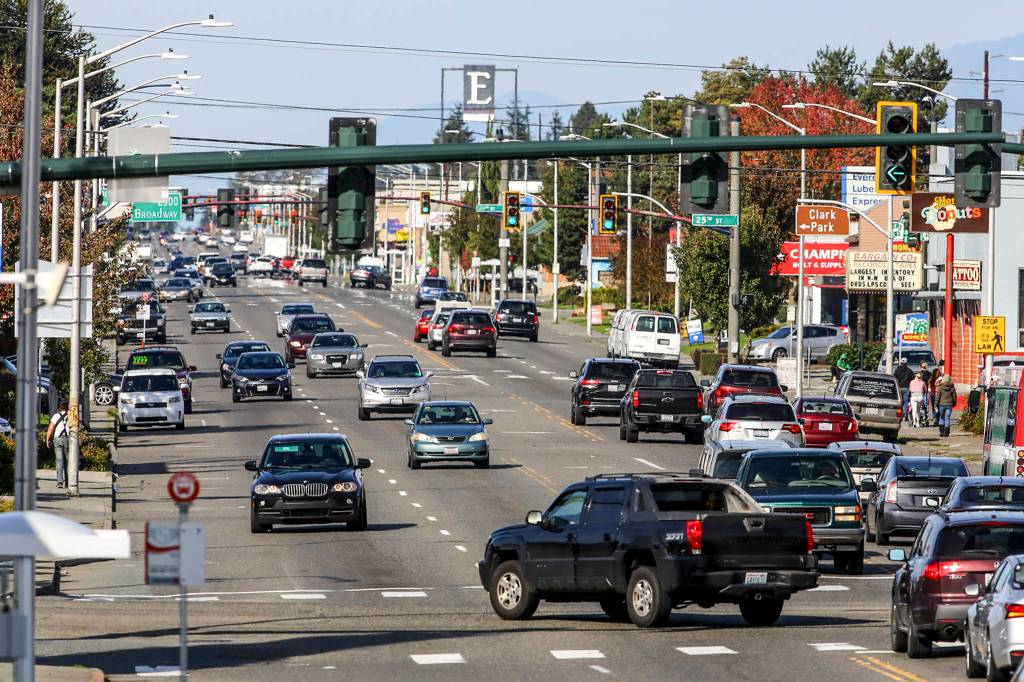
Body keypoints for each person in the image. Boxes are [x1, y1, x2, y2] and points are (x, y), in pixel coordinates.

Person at [45, 400, 70, 489]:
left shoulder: (56, 416)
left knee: (59, 461)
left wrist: (47, 439)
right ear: (68, 407)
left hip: (57, 439)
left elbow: (51, 428)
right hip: (68, 439)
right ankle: (68, 482)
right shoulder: (71, 415)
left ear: (59, 408)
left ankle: (60, 482)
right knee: (68, 461)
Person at [894, 357, 915, 422]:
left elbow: (895, 378)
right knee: (906, 402)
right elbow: (912, 380)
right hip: (906, 388)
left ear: (901, 362)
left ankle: (899, 414)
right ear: (906, 363)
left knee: (899, 402)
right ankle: (904, 414)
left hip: (898, 388)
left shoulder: (897, 370)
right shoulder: (910, 371)